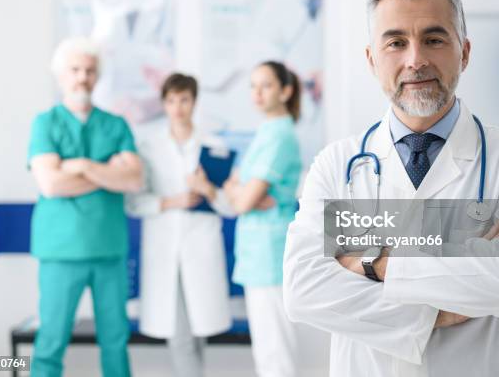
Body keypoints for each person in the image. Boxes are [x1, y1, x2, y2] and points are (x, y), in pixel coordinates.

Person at [282, 0, 499, 377]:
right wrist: (432, 313)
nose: (415, 60)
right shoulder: (333, 163)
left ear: (464, 52)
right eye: (395, 42)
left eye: (434, 39)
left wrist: (372, 261)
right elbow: (302, 291)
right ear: (372, 59)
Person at [28, 37, 143, 377]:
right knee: (51, 341)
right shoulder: (46, 123)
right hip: (61, 252)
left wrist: (78, 165)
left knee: (115, 342)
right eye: (75, 70)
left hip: (109, 251)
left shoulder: (115, 124)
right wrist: (109, 171)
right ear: (61, 75)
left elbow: (135, 179)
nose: (83, 77)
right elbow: (50, 184)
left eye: (90, 71)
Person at [191, 61, 303, 377]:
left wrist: (241, 193)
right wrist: (240, 194)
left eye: (266, 85)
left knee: (276, 353)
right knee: (266, 351)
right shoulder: (265, 133)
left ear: (285, 90)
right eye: (252, 85)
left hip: (270, 255)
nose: (257, 93)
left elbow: (242, 200)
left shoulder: (280, 136)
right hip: (257, 255)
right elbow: (239, 196)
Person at [126, 73, 234, 377]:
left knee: (199, 331)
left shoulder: (214, 146)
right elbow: (134, 203)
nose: (178, 107)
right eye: (171, 100)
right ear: (163, 103)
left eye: (184, 99)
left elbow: (228, 206)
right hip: (164, 248)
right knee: (181, 333)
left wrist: (207, 190)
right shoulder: (149, 147)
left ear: (194, 102)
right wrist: (173, 201)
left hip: (201, 248)